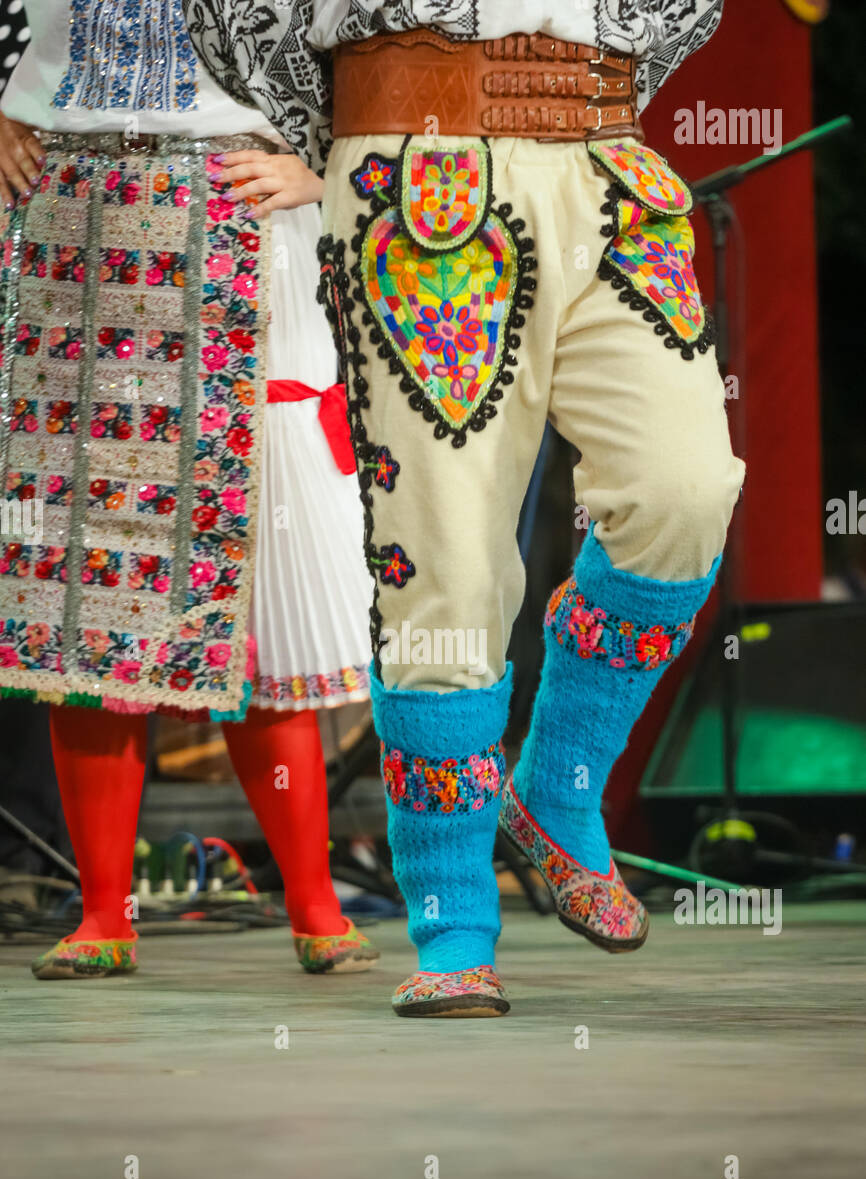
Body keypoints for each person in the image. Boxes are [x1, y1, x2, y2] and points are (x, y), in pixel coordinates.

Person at [184, 1, 743, 1017]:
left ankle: (558, 784)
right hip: (415, 157)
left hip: (605, 154)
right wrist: (349, 135)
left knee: (684, 488)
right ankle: (451, 920)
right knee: (443, 558)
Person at [0, 0, 378, 981]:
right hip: (67, 205)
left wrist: (330, 161)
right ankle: (100, 912)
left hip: (231, 203)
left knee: (240, 562)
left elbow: (372, 34)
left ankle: (312, 897)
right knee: (88, 574)